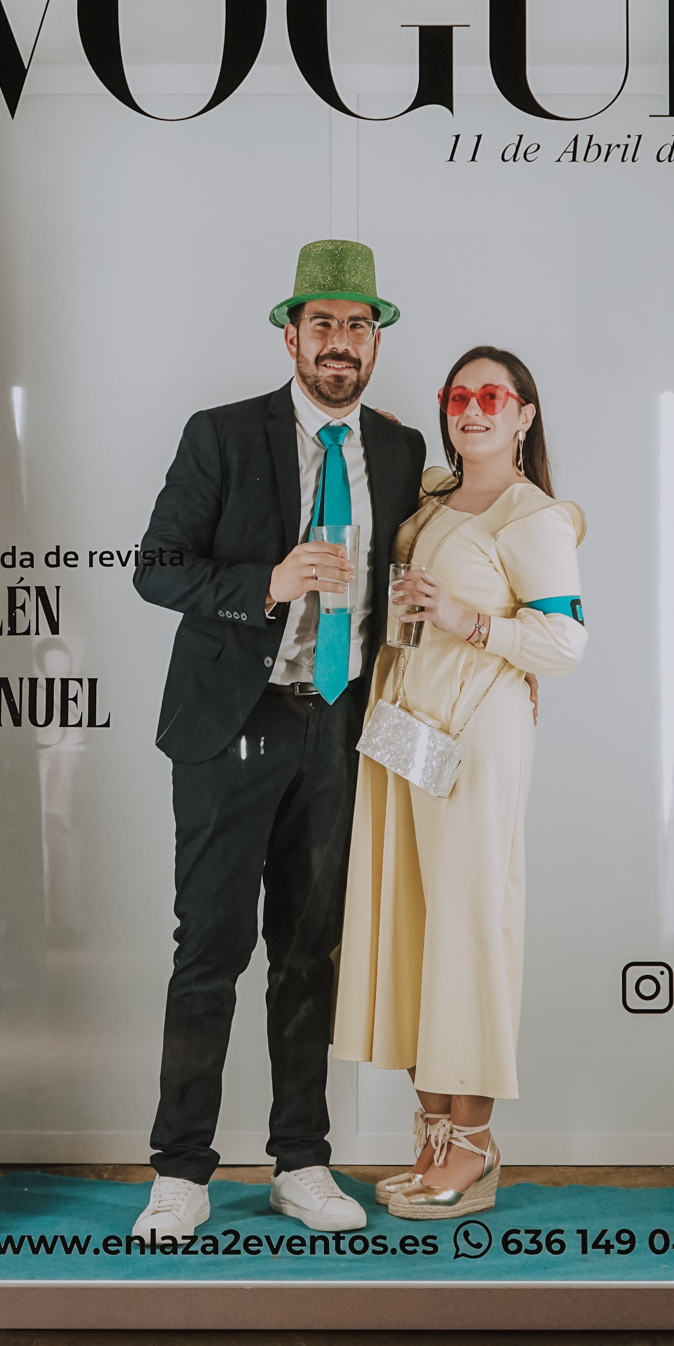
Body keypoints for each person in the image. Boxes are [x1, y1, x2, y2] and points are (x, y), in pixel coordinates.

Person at [130, 241, 427, 1242]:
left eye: (358, 326)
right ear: (290, 336)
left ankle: (301, 1160)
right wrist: (266, 580)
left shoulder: (397, 449)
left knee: (311, 953)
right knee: (211, 950)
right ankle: (180, 1171)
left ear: (375, 342)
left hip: (338, 727)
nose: (341, 342)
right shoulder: (221, 433)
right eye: (323, 324)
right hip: (234, 726)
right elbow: (157, 566)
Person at [332, 345, 587, 1218]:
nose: (471, 410)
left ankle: (473, 1144)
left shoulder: (532, 517)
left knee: (468, 923)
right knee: (411, 920)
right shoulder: (437, 496)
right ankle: (434, 1132)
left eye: (491, 397)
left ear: (524, 415)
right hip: (405, 728)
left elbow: (563, 644)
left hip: (476, 734)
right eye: (457, 396)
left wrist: (466, 621)